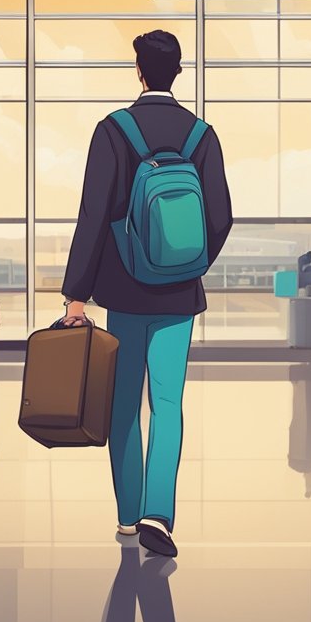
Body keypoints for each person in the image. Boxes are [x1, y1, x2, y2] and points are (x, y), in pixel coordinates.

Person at [60, 30, 233, 558]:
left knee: (123, 405)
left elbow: (93, 214)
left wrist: (76, 295)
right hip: (180, 296)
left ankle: (129, 515)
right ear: (177, 71)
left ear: (139, 70)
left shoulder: (114, 130)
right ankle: (161, 512)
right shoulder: (202, 135)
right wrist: (188, 265)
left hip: (124, 290)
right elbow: (221, 216)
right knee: (168, 402)